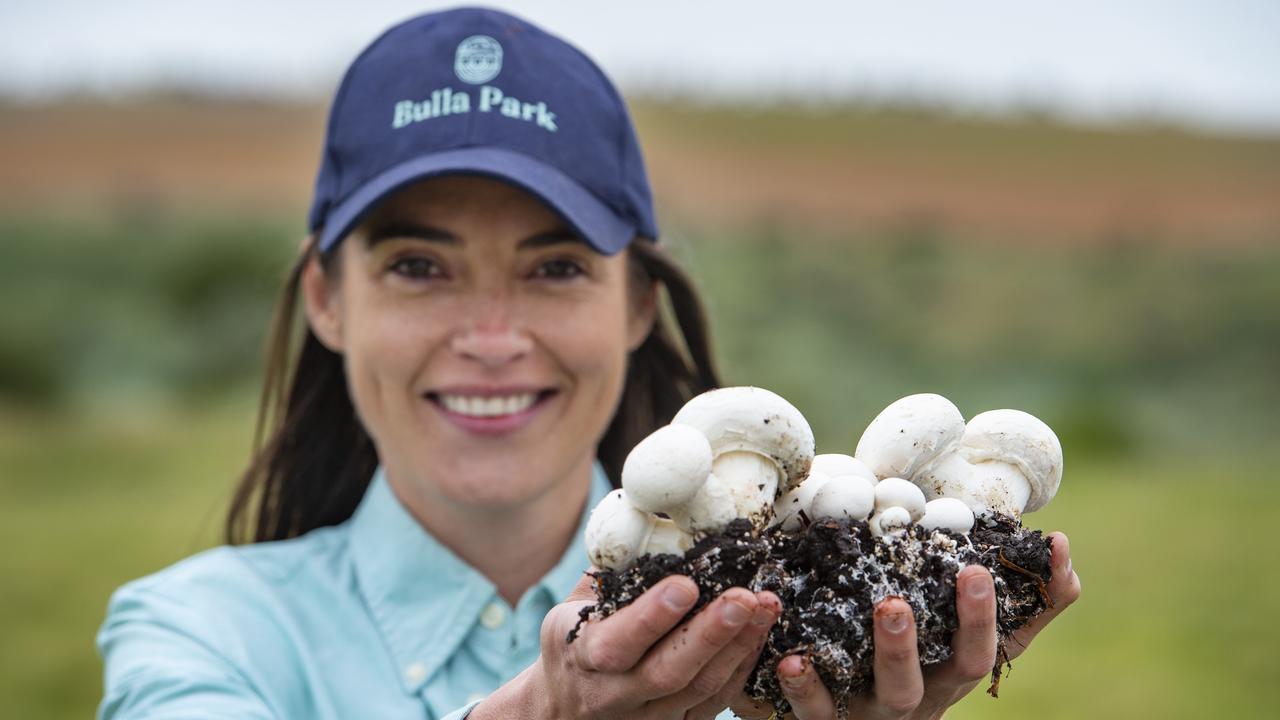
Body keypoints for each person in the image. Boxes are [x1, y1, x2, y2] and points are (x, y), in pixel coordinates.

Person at [96, 7, 1080, 720]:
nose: (488, 335)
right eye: (416, 266)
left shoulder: (772, 646)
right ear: (326, 298)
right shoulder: (200, 633)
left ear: (637, 304)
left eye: (556, 266)